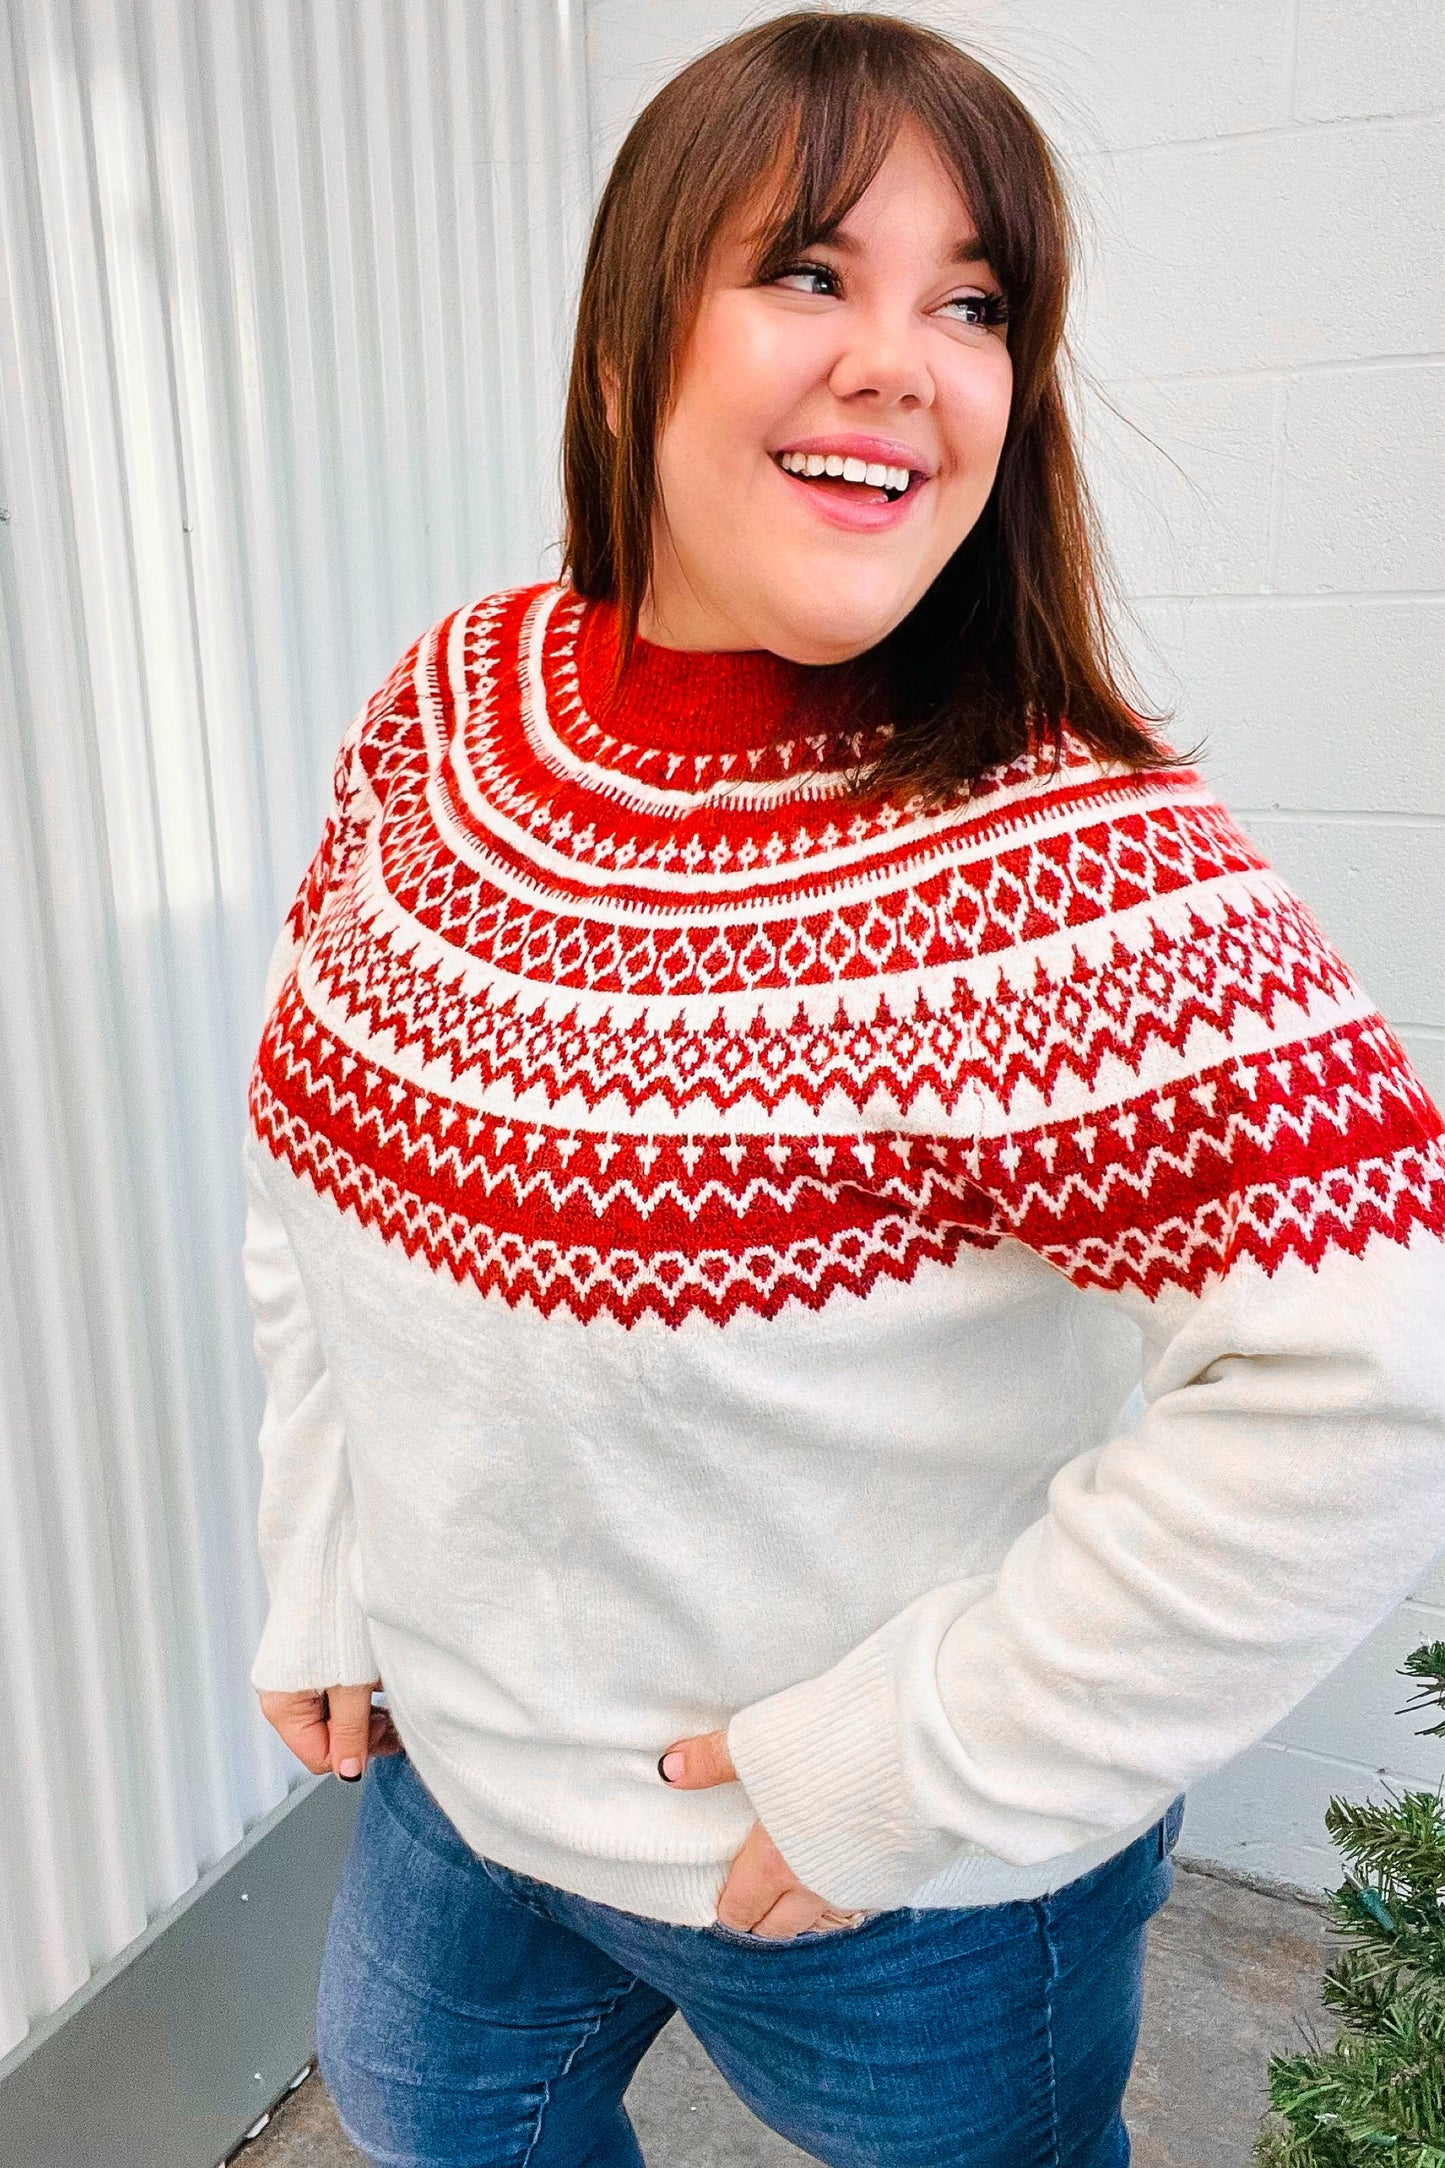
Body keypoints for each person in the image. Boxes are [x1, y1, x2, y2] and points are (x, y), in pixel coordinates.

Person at [242, 12, 1445, 2166]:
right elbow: (316, 1150)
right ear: (628, 341)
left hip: (890, 1893)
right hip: (460, 1773)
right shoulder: (447, 706)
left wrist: (912, 1766)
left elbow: (1377, 1376)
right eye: (810, 270)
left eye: (972, 306)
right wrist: (325, 1546)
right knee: (429, 2114)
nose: (904, 361)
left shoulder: (1068, 864)